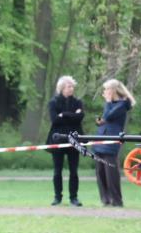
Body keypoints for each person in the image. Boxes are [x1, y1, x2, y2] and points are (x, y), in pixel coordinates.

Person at [92, 79, 135, 207]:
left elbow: (109, 116)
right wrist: (99, 121)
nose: (104, 92)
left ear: (113, 90)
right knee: (100, 172)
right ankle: (105, 199)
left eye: (106, 89)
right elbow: (104, 119)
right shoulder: (111, 104)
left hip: (111, 141)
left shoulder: (123, 104)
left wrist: (108, 102)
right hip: (100, 138)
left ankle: (116, 200)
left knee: (111, 172)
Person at [46, 75, 85, 206]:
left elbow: (79, 117)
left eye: (72, 86)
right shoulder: (53, 102)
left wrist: (64, 114)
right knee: (57, 170)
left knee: (74, 170)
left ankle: (74, 197)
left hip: (74, 138)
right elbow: (55, 119)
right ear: (62, 88)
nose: (71, 88)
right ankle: (57, 197)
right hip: (58, 139)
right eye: (69, 86)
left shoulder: (78, 102)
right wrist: (72, 114)